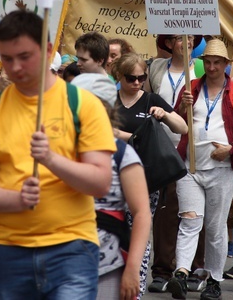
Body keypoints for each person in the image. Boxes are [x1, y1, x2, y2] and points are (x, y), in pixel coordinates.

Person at [0, 9, 116, 299]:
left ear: (47, 50)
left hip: (71, 249)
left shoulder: (82, 104)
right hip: (6, 251)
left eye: (24, 56)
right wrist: (16, 199)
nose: (15, 67)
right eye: (6, 59)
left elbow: (100, 181)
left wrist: (51, 160)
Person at [166, 39, 233, 300]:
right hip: (191, 166)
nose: (212, 66)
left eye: (217, 62)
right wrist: (180, 107)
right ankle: (182, 273)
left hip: (221, 168)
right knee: (190, 220)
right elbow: (177, 124)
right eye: (207, 61)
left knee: (216, 227)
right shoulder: (192, 88)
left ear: (226, 64)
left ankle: (214, 280)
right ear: (202, 62)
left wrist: (231, 149)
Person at [71, 73, 152, 300]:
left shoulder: (121, 154)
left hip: (107, 265)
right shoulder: (57, 148)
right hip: (59, 263)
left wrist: (133, 268)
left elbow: (141, 213)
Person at [114, 52, 188, 295]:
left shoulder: (150, 99)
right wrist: (134, 137)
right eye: (130, 78)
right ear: (119, 76)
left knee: (140, 234)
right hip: (112, 177)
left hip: (144, 178)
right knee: (114, 232)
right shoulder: (109, 101)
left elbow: (183, 127)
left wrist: (164, 114)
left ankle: (136, 288)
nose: (136, 83)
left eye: (141, 78)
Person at [145, 34, 205, 293]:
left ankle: (194, 268)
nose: (187, 42)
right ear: (169, 43)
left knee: (194, 212)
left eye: (191, 38)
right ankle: (161, 270)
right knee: (165, 212)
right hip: (162, 149)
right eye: (181, 38)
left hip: (194, 149)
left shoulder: (203, 68)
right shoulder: (155, 68)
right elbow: (146, 100)